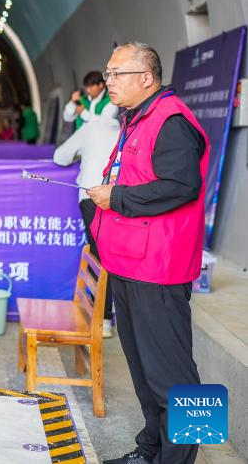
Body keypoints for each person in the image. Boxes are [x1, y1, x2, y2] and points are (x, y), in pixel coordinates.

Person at [87, 43, 208, 464]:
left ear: (146, 77)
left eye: (117, 73)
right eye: (107, 73)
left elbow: (182, 186)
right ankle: (151, 450)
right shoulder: (136, 119)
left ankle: (181, 461)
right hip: (128, 263)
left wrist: (116, 197)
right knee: (143, 371)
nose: (109, 82)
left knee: (175, 376)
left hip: (159, 269)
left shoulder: (170, 121)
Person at [53, 117, 121, 337]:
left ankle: (103, 318)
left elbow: (60, 157)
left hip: (93, 196)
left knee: (100, 257)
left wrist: (82, 153)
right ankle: (105, 316)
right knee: (112, 255)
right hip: (121, 197)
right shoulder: (127, 128)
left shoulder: (90, 128)